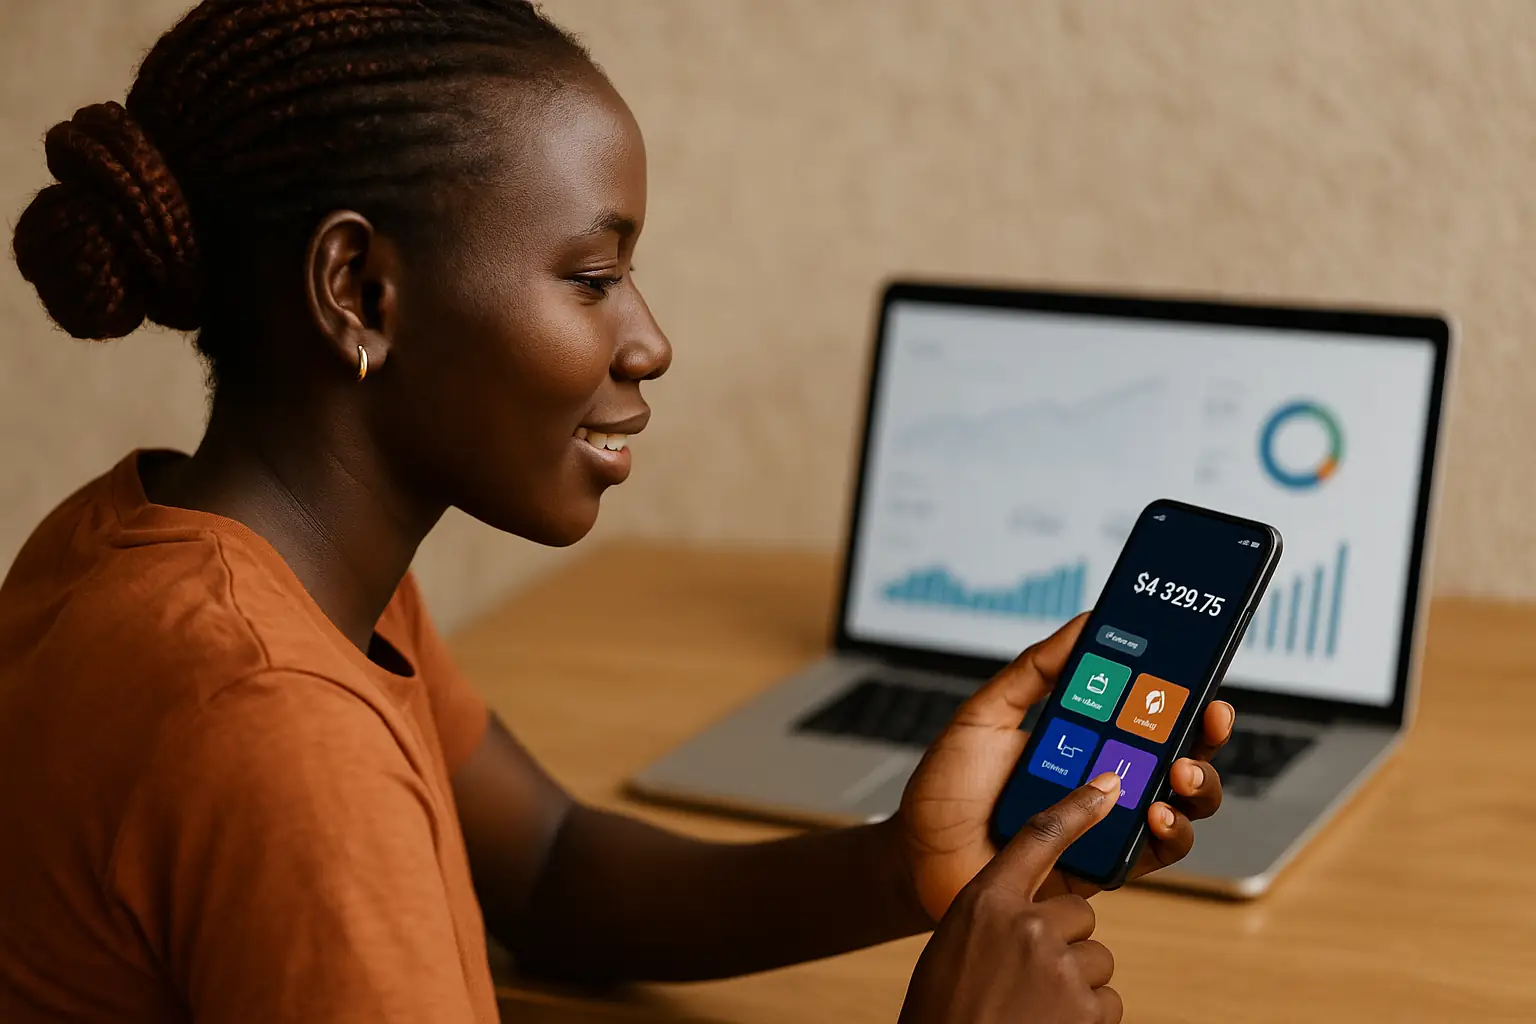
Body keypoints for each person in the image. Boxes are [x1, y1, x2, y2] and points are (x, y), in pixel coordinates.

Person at [0, 3, 1234, 1021]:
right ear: (359, 290)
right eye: (592, 279)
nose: (648, 340)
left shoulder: (173, 550)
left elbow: (546, 871)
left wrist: (904, 864)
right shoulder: (275, 724)